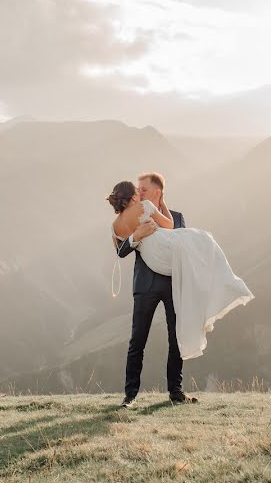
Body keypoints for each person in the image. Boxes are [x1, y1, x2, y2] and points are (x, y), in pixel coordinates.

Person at [109, 173, 254, 408]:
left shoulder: (175, 216)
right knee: (138, 340)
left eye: (144, 189)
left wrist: (162, 208)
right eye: (138, 190)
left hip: (174, 285)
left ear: (156, 191)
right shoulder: (134, 214)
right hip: (145, 286)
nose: (140, 192)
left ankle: (175, 392)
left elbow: (183, 247)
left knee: (176, 337)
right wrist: (137, 235)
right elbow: (120, 250)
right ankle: (130, 395)